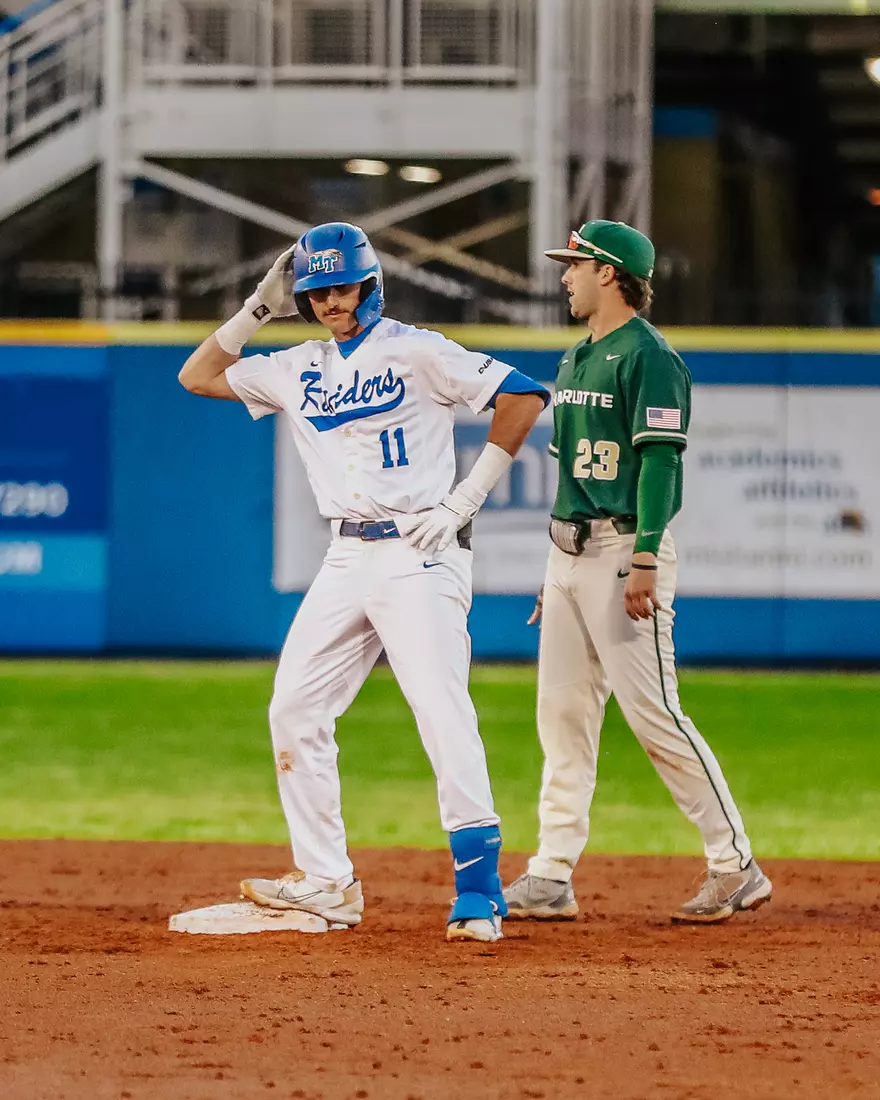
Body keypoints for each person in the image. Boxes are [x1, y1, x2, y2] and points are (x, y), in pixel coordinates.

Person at [179, 222, 548, 942]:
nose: (329, 302)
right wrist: (257, 309)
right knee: (294, 710)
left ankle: (478, 889)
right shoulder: (295, 365)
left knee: (441, 711)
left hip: (420, 549)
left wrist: (465, 499)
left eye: (341, 287)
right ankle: (326, 883)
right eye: (316, 291)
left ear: (370, 286)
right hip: (346, 557)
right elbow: (196, 376)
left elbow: (524, 397)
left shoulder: (416, 349)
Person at [503, 220, 772, 924]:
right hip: (569, 556)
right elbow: (569, 472)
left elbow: (660, 461)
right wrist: (556, 567)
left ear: (612, 274)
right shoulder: (576, 357)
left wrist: (647, 554)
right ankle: (551, 872)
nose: (565, 276)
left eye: (577, 265)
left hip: (624, 552)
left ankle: (734, 863)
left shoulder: (649, 357)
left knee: (655, 718)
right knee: (561, 717)